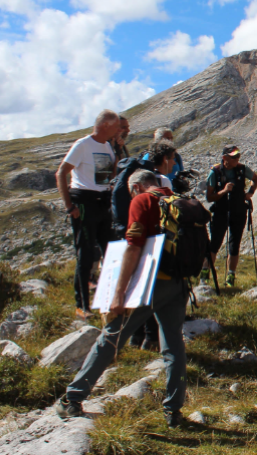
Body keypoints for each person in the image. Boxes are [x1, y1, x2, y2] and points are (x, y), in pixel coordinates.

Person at [56, 169, 189, 427]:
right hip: (179, 284)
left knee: (112, 336)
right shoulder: (177, 200)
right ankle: (173, 412)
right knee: (173, 346)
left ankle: (72, 398)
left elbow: (133, 246)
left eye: (130, 193)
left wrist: (118, 293)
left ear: (137, 187)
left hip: (149, 284)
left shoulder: (143, 200)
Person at [56, 109, 120, 317]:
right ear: (105, 126)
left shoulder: (108, 146)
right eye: (116, 126)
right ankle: (81, 305)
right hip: (83, 201)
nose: (119, 130)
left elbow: (106, 176)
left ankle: (106, 299)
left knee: (110, 250)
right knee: (85, 254)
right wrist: (69, 206)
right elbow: (61, 173)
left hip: (102, 202)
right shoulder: (82, 145)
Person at [128, 139, 177, 350]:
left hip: (145, 251)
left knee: (143, 295)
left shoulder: (140, 195)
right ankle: (153, 340)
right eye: (173, 159)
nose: (175, 163)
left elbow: (133, 239)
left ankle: (137, 337)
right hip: (167, 254)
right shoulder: (166, 186)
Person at [205, 145, 257, 287]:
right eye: (234, 156)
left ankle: (231, 276)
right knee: (215, 243)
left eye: (238, 156)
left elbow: (255, 178)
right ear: (225, 158)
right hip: (220, 212)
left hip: (238, 211)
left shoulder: (242, 168)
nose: (237, 158)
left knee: (234, 245)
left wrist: (251, 192)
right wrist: (223, 191)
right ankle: (205, 273)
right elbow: (209, 197)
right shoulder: (215, 172)